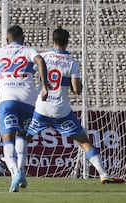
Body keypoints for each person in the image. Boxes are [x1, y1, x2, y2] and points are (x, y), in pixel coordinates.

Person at [26, 26, 125, 184]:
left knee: (24, 139)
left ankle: (11, 167)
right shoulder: (72, 62)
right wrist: (77, 84)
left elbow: (26, 71)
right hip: (61, 111)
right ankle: (103, 174)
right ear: (67, 42)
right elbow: (78, 90)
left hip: (42, 107)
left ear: (52, 41)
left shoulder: (42, 56)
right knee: (84, 142)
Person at [0, 25, 49, 192]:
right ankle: (21, 172)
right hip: (28, 100)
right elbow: (40, 61)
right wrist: (45, 85)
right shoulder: (29, 50)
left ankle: (15, 173)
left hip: (8, 100)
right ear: (23, 38)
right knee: (22, 136)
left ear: (6, 39)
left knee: (7, 138)